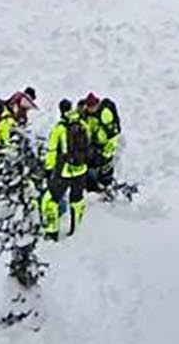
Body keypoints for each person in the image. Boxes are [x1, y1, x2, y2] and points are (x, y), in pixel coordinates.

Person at [41, 99, 91, 238]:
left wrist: (48, 169)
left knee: (50, 200)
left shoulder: (59, 128)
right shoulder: (82, 124)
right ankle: (77, 231)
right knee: (77, 200)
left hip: (64, 171)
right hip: (81, 170)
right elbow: (88, 145)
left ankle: (52, 233)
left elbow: (51, 151)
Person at [81, 94, 122, 192]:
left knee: (105, 167)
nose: (90, 109)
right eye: (88, 107)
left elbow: (113, 135)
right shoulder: (87, 114)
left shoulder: (105, 114)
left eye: (92, 107)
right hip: (94, 144)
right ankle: (93, 186)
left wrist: (107, 153)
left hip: (105, 145)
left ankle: (108, 186)